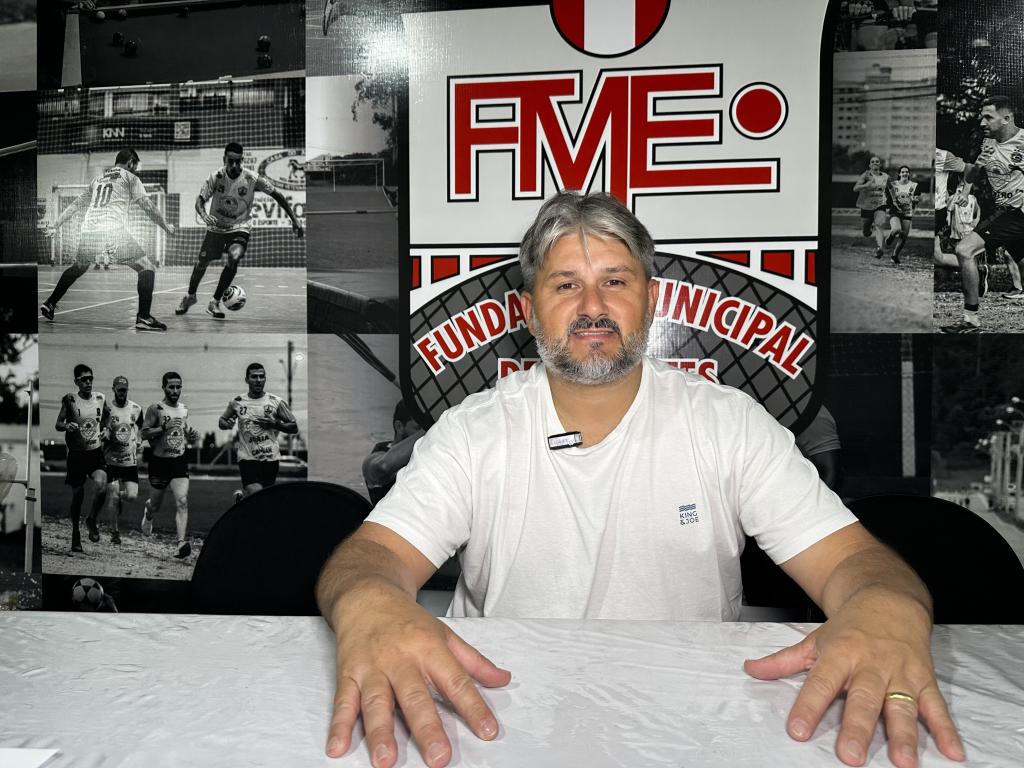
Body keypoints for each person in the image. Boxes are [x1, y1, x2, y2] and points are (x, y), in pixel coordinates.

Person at [315, 191, 965, 768]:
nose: (593, 307)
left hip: (687, 729)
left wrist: (886, 608)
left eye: (615, 282)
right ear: (530, 312)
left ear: (650, 301)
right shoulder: (471, 432)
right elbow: (370, 559)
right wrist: (371, 606)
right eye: (565, 285)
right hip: (500, 722)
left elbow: (855, 562)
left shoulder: (728, 424)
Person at [40, 148, 176, 332]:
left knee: (79, 267)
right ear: (130, 163)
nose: (135, 170)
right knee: (147, 267)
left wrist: (56, 225)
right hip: (112, 231)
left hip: (89, 232)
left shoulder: (97, 180)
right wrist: (166, 226)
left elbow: (76, 205)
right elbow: (148, 206)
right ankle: (144, 317)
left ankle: (50, 303)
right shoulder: (130, 178)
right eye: (135, 166)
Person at [174, 142, 304, 320]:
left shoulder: (252, 178)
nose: (234, 165)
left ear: (242, 160)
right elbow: (200, 201)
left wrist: (295, 220)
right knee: (201, 263)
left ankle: (215, 302)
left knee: (234, 256)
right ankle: (190, 296)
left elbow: (277, 195)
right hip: (216, 228)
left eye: (238, 161)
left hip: (239, 227)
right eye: (231, 161)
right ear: (224, 159)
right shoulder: (216, 177)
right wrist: (204, 215)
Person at [940, 96, 1024, 333]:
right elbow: (970, 176)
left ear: (1006, 118)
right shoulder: (987, 143)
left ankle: (970, 320)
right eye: (981, 117)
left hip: (1017, 213)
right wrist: (978, 165)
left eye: (988, 117)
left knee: (964, 250)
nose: (982, 122)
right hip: (1005, 211)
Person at [218, 362, 298, 502]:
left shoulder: (276, 402)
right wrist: (227, 424)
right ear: (246, 380)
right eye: (254, 377)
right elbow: (222, 421)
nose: (258, 380)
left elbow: (294, 427)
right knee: (257, 492)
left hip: (270, 457)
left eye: (261, 376)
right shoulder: (237, 402)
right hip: (247, 457)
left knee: (264, 499)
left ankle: (242, 501)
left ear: (265, 378)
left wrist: (275, 424)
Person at [140, 372, 198, 559]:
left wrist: (190, 435)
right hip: (159, 463)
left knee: (182, 501)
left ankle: (180, 543)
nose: (175, 390)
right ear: (163, 387)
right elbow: (144, 434)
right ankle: (148, 512)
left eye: (178, 387)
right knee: (155, 505)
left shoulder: (184, 409)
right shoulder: (155, 409)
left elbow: (182, 429)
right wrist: (163, 427)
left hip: (179, 461)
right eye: (171, 387)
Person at [55, 364, 109, 553]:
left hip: (95, 453)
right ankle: (75, 533)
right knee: (78, 496)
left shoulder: (100, 398)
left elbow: (107, 419)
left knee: (102, 486)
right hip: (77, 454)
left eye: (90, 378)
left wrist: (106, 429)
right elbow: (58, 423)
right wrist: (66, 425)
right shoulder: (70, 400)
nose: (88, 382)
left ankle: (91, 519)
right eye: (84, 379)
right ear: (76, 381)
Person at [99, 376, 144, 546]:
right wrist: (104, 433)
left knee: (132, 496)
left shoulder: (136, 409)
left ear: (127, 390)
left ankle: (119, 497)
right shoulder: (107, 409)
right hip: (110, 460)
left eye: (124, 390)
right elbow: (101, 428)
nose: (122, 393)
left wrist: (139, 439)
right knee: (112, 496)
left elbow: (142, 427)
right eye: (119, 390)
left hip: (129, 461)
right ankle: (114, 532)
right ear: (114, 389)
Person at [362, 400, 424, 506]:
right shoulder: (379, 453)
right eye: (417, 428)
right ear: (399, 427)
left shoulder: (427, 453)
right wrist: (429, 430)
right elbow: (383, 466)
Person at [852, 156, 889, 259]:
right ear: (870, 165)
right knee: (866, 232)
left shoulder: (885, 176)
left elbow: (892, 189)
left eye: (877, 161)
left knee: (880, 225)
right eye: (872, 162)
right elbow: (855, 188)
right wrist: (865, 185)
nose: (875, 163)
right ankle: (869, 229)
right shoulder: (866, 175)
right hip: (866, 206)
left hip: (880, 204)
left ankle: (880, 248)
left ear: (880, 164)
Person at [883, 165, 918, 264]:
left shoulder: (914, 185)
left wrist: (916, 200)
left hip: (907, 212)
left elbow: (917, 197)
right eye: (903, 172)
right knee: (897, 229)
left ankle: (894, 255)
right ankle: (890, 237)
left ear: (909, 173)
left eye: (907, 172)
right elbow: (887, 196)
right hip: (895, 211)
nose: (905, 173)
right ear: (899, 174)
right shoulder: (893, 184)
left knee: (904, 236)